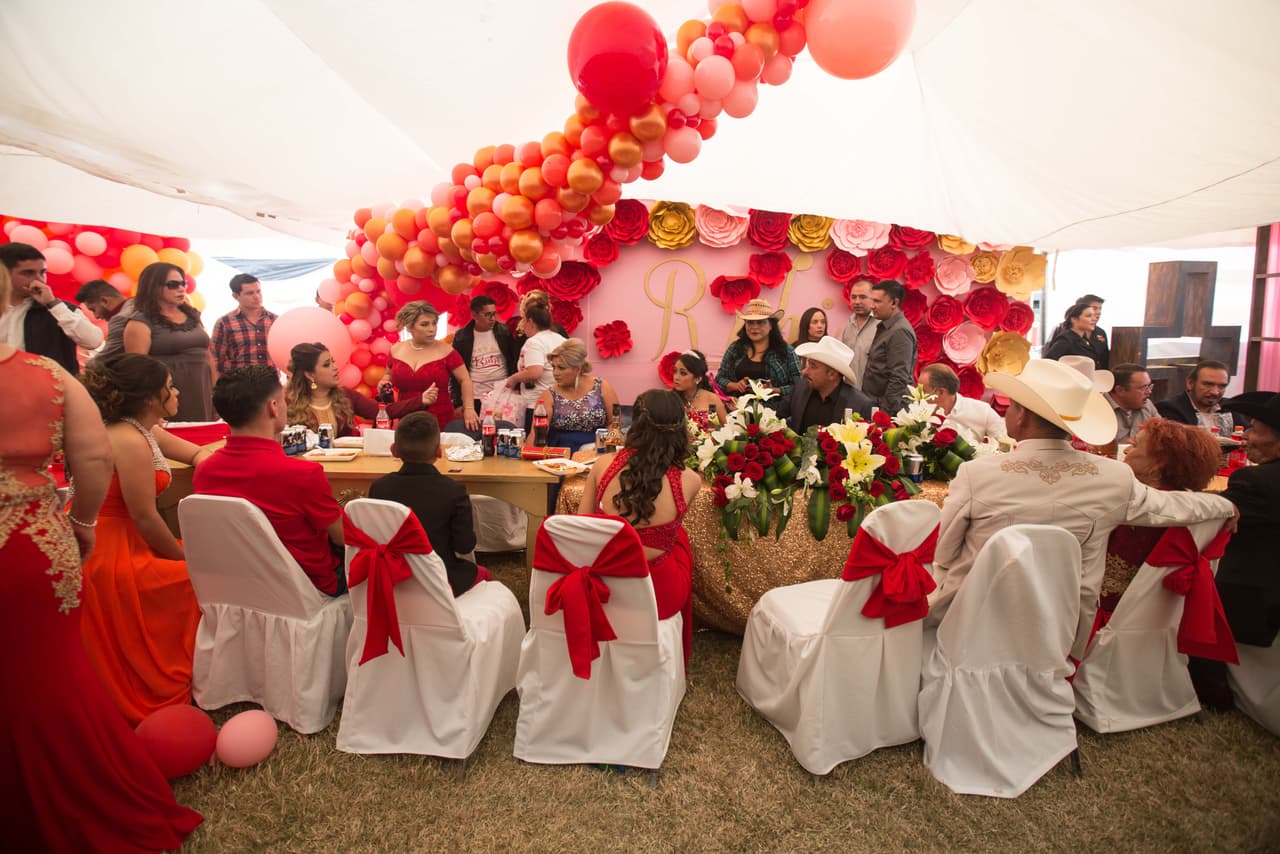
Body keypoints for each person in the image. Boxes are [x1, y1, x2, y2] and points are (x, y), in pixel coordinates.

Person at [0, 253, 201, 852]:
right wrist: (81, 524)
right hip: (34, 542)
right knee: (42, 681)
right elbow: (94, 472)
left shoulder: (138, 427)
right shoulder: (44, 376)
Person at [928, 358, 1238, 661]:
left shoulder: (976, 473)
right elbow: (1170, 506)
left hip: (976, 615)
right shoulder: (1114, 476)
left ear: (1020, 416)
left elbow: (944, 551)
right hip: (1064, 624)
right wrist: (1224, 504)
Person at [79, 355, 207, 724]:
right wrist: (182, 558)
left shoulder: (141, 428)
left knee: (200, 564)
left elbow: (193, 452)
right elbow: (144, 517)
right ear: (152, 398)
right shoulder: (128, 438)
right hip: (110, 547)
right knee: (191, 577)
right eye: (171, 385)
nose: (178, 390)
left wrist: (208, 461)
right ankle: (167, 675)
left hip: (127, 536)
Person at [194, 366, 347, 596]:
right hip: (307, 587)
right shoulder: (303, 474)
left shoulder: (205, 472)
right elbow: (343, 536)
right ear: (273, 407)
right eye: (283, 400)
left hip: (238, 585)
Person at [578, 389, 701, 665]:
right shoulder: (690, 480)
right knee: (678, 540)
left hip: (605, 586)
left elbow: (581, 526)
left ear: (637, 424)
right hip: (658, 595)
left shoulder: (603, 465)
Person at [1100, 418, 1222, 608]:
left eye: (1134, 446)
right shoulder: (1189, 501)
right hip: (1165, 609)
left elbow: (1110, 585)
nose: (1125, 451)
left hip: (1117, 612)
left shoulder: (1144, 508)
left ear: (1158, 461)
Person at [368, 412, 492, 597]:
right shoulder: (454, 491)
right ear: (438, 451)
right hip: (440, 578)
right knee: (484, 574)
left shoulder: (378, 488)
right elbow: (464, 546)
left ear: (394, 450)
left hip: (392, 576)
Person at [1215, 392, 1280, 648]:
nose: (1246, 436)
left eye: (1255, 429)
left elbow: (1214, 518)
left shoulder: (1256, 481)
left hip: (1257, 609)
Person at [123, 261, 215, 421]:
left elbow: (208, 356)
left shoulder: (193, 315)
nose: (181, 288)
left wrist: (216, 390)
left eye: (183, 283)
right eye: (173, 284)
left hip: (202, 389)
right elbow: (137, 371)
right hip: (167, 395)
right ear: (154, 287)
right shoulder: (140, 322)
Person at [0, 241, 103, 375]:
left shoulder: (61, 309)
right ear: (4, 274)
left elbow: (93, 341)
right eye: (28, 273)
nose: (39, 279)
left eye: (43, 272)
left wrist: (53, 304)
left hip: (50, 390)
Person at [379, 300, 480, 432]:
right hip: (406, 416)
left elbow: (465, 380)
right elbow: (388, 374)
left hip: (439, 418)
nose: (432, 329)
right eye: (424, 324)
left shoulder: (447, 351)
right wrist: (384, 381)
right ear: (410, 327)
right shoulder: (396, 350)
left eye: (434, 323)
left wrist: (469, 409)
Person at [535, 338, 619, 450]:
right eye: (553, 367)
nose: (555, 373)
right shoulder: (549, 394)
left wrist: (606, 446)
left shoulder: (602, 386)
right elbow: (536, 435)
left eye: (561, 368)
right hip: (559, 455)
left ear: (578, 369)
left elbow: (615, 424)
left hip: (596, 450)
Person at [780, 336, 874, 432]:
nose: (804, 372)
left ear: (832, 374)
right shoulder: (801, 388)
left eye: (813, 366)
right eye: (809, 364)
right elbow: (779, 414)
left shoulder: (860, 406)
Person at [286, 342, 380, 436]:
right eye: (326, 365)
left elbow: (383, 411)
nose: (335, 368)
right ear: (310, 375)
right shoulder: (287, 403)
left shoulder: (346, 396)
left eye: (333, 362)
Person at [714, 298, 802, 399]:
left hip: (775, 409)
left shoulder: (786, 351)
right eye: (750, 322)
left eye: (760, 322)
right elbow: (719, 379)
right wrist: (736, 386)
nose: (754, 327)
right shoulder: (735, 348)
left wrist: (774, 390)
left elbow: (798, 386)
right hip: (737, 408)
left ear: (771, 326)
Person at [450, 294, 518, 416]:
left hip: (502, 394)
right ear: (474, 314)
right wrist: (458, 403)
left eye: (494, 314)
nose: (492, 318)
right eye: (487, 314)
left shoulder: (503, 331)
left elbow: (513, 361)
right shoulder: (462, 337)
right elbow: (455, 372)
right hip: (475, 396)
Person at [505, 301, 565, 431]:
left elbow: (535, 372)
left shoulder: (534, 342)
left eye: (524, 321)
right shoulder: (560, 339)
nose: (523, 325)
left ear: (530, 322)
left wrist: (513, 379)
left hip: (537, 404)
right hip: (560, 402)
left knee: (535, 446)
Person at [861, 281, 917, 414]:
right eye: (872, 300)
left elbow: (899, 377)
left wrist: (884, 413)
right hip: (875, 404)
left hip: (889, 410)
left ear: (894, 303)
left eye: (877, 301)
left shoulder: (899, 331)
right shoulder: (887, 326)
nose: (872, 306)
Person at [1155, 359, 1248, 434]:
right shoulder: (1170, 408)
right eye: (1208, 384)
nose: (1215, 392)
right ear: (1190, 383)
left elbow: (1248, 434)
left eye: (1222, 386)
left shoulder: (1230, 407)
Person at [919, 362, 1006, 442]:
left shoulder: (982, 411)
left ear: (941, 392)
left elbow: (1004, 443)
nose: (918, 395)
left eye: (923, 391)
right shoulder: (918, 412)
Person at [210, 273, 277, 375]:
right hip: (238, 384)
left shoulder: (274, 320)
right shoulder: (225, 323)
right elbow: (215, 358)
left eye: (258, 291)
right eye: (249, 293)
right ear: (236, 296)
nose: (256, 296)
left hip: (271, 384)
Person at [75, 278, 134, 366]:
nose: (96, 317)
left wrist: (86, 369)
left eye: (93, 309)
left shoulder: (120, 319)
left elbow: (107, 357)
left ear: (105, 301)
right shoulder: (137, 304)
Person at [671, 349, 728, 431]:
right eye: (675, 371)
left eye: (683, 373)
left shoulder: (711, 400)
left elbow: (727, 429)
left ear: (698, 378)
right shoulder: (670, 399)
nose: (676, 377)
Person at [1042, 302, 1107, 369]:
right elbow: (1048, 362)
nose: (1094, 319)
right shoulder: (1066, 340)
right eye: (1088, 316)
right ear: (1074, 319)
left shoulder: (1084, 340)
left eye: (1093, 316)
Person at [1106, 362, 1158, 443]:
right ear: (1120, 390)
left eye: (1150, 386)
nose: (1149, 391)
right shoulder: (1098, 408)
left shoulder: (1147, 404)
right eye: (1143, 388)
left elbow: (1162, 435)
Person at [839, 280, 877, 389]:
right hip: (849, 391)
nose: (857, 301)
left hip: (872, 395)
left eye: (862, 297)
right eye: (853, 297)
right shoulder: (849, 325)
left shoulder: (881, 326)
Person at [1078, 293, 1110, 368]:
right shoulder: (1066, 332)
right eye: (1095, 308)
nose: (1099, 312)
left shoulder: (1100, 332)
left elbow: (1105, 360)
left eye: (1100, 308)